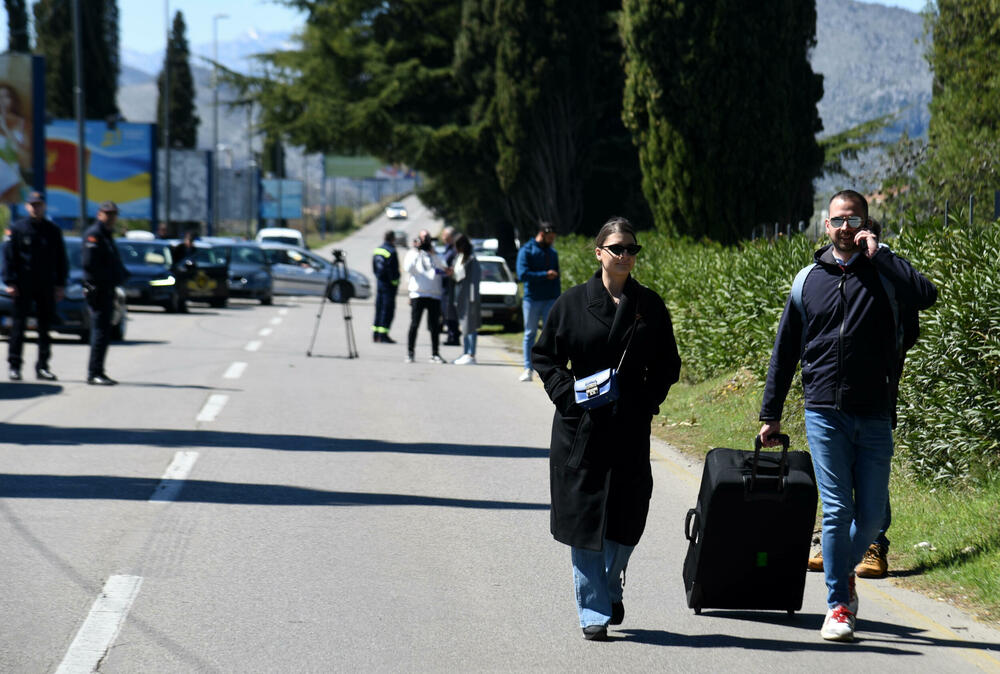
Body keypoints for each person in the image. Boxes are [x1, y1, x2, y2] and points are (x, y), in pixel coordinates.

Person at [758, 190, 937, 642]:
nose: (844, 226)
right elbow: (784, 352)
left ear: (866, 225)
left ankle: (842, 571)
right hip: (823, 411)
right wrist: (771, 413)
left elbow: (926, 296)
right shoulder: (807, 281)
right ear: (826, 225)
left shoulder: (886, 274)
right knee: (837, 510)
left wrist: (883, 255)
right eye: (837, 219)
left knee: (873, 517)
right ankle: (838, 604)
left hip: (875, 411)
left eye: (853, 219)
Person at [532, 217, 681, 641]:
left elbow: (669, 365)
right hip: (581, 430)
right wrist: (569, 396)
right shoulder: (571, 304)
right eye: (617, 248)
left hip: (629, 428)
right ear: (598, 252)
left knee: (628, 517)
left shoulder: (649, 306)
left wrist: (646, 401)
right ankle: (593, 609)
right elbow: (545, 358)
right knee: (583, 519)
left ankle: (611, 579)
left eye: (632, 249)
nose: (625, 256)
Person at [807, 216, 895, 580]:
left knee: (871, 484)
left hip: (876, 395)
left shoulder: (886, 277)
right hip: (828, 397)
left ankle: (874, 543)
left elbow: (918, 308)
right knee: (838, 490)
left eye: (860, 231)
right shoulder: (820, 277)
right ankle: (837, 546)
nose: (850, 234)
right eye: (842, 225)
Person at [2, 191, 67, 381]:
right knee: (18, 327)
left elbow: (61, 260)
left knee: (45, 328)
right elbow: (8, 258)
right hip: (23, 285)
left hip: (45, 285)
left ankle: (43, 367)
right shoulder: (18, 228)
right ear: (27, 207)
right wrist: (10, 282)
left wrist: (60, 284)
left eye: (39, 204)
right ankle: (15, 366)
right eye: (32, 205)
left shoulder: (52, 230)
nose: (36, 208)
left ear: (43, 206)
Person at [81, 201, 130, 385]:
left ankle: (98, 370)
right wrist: (109, 278)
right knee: (100, 332)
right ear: (99, 214)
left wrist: (122, 275)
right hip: (98, 289)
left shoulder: (107, 235)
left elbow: (113, 261)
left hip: (107, 289)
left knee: (104, 332)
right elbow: (90, 264)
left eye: (113, 214)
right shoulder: (95, 235)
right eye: (107, 213)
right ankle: (94, 373)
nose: (110, 217)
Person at [516, 221, 560, 382]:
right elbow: (522, 274)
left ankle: (548, 369)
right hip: (532, 299)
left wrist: (558, 299)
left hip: (550, 299)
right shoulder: (526, 250)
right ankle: (528, 368)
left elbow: (557, 277)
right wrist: (544, 275)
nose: (551, 241)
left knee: (551, 334)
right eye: (550, 238)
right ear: (541, 234)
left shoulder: (552, 252)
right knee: (530, 333)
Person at [403, 229, 451, 363]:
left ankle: (435, 354)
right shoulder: (413, 253)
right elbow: (408, 268)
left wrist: (433, 254)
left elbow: (444, 269)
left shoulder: (435, 254)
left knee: (435, 326)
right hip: (418, 293)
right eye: (423, 238)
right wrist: (417, 251)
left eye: (427, 238)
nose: (425, 241)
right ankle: (410, 353)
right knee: (414, 324)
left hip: (434, 294)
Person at [451, 234, 481, 365]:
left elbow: (474, 281)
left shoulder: (472, 260)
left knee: (471, 327)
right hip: (461, 297)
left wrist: (473, 299)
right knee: (464, 326)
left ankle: (471, 354)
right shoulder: (459, 258)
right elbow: (457, 275)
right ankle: (465, 352)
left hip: (470, 298)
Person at [0, 83, 29, 202]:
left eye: (6, 96)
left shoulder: (21, 123)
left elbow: (25, 162)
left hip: (12, 182)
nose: (2, 101)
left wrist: (6, 129)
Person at [372, 229, 400, 343]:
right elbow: (393, 270)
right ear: (393, 239)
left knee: (379, 308)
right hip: (389, 286)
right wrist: (395, 281)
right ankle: (383, 335)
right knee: (387, 310)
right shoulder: (392, 251)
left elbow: (374, 267)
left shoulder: (377, 250)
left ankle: (376, 334)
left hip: (380, 283)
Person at [440, 225, 461, 346]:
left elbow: (453, 268)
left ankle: (454, 335)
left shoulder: (454, 251)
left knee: (449, 311)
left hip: (450, 286)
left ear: (451, 237)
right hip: (444, 286)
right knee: (445, 312)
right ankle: (451, 335)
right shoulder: (447, 249)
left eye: (445, 235)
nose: (442, 237)